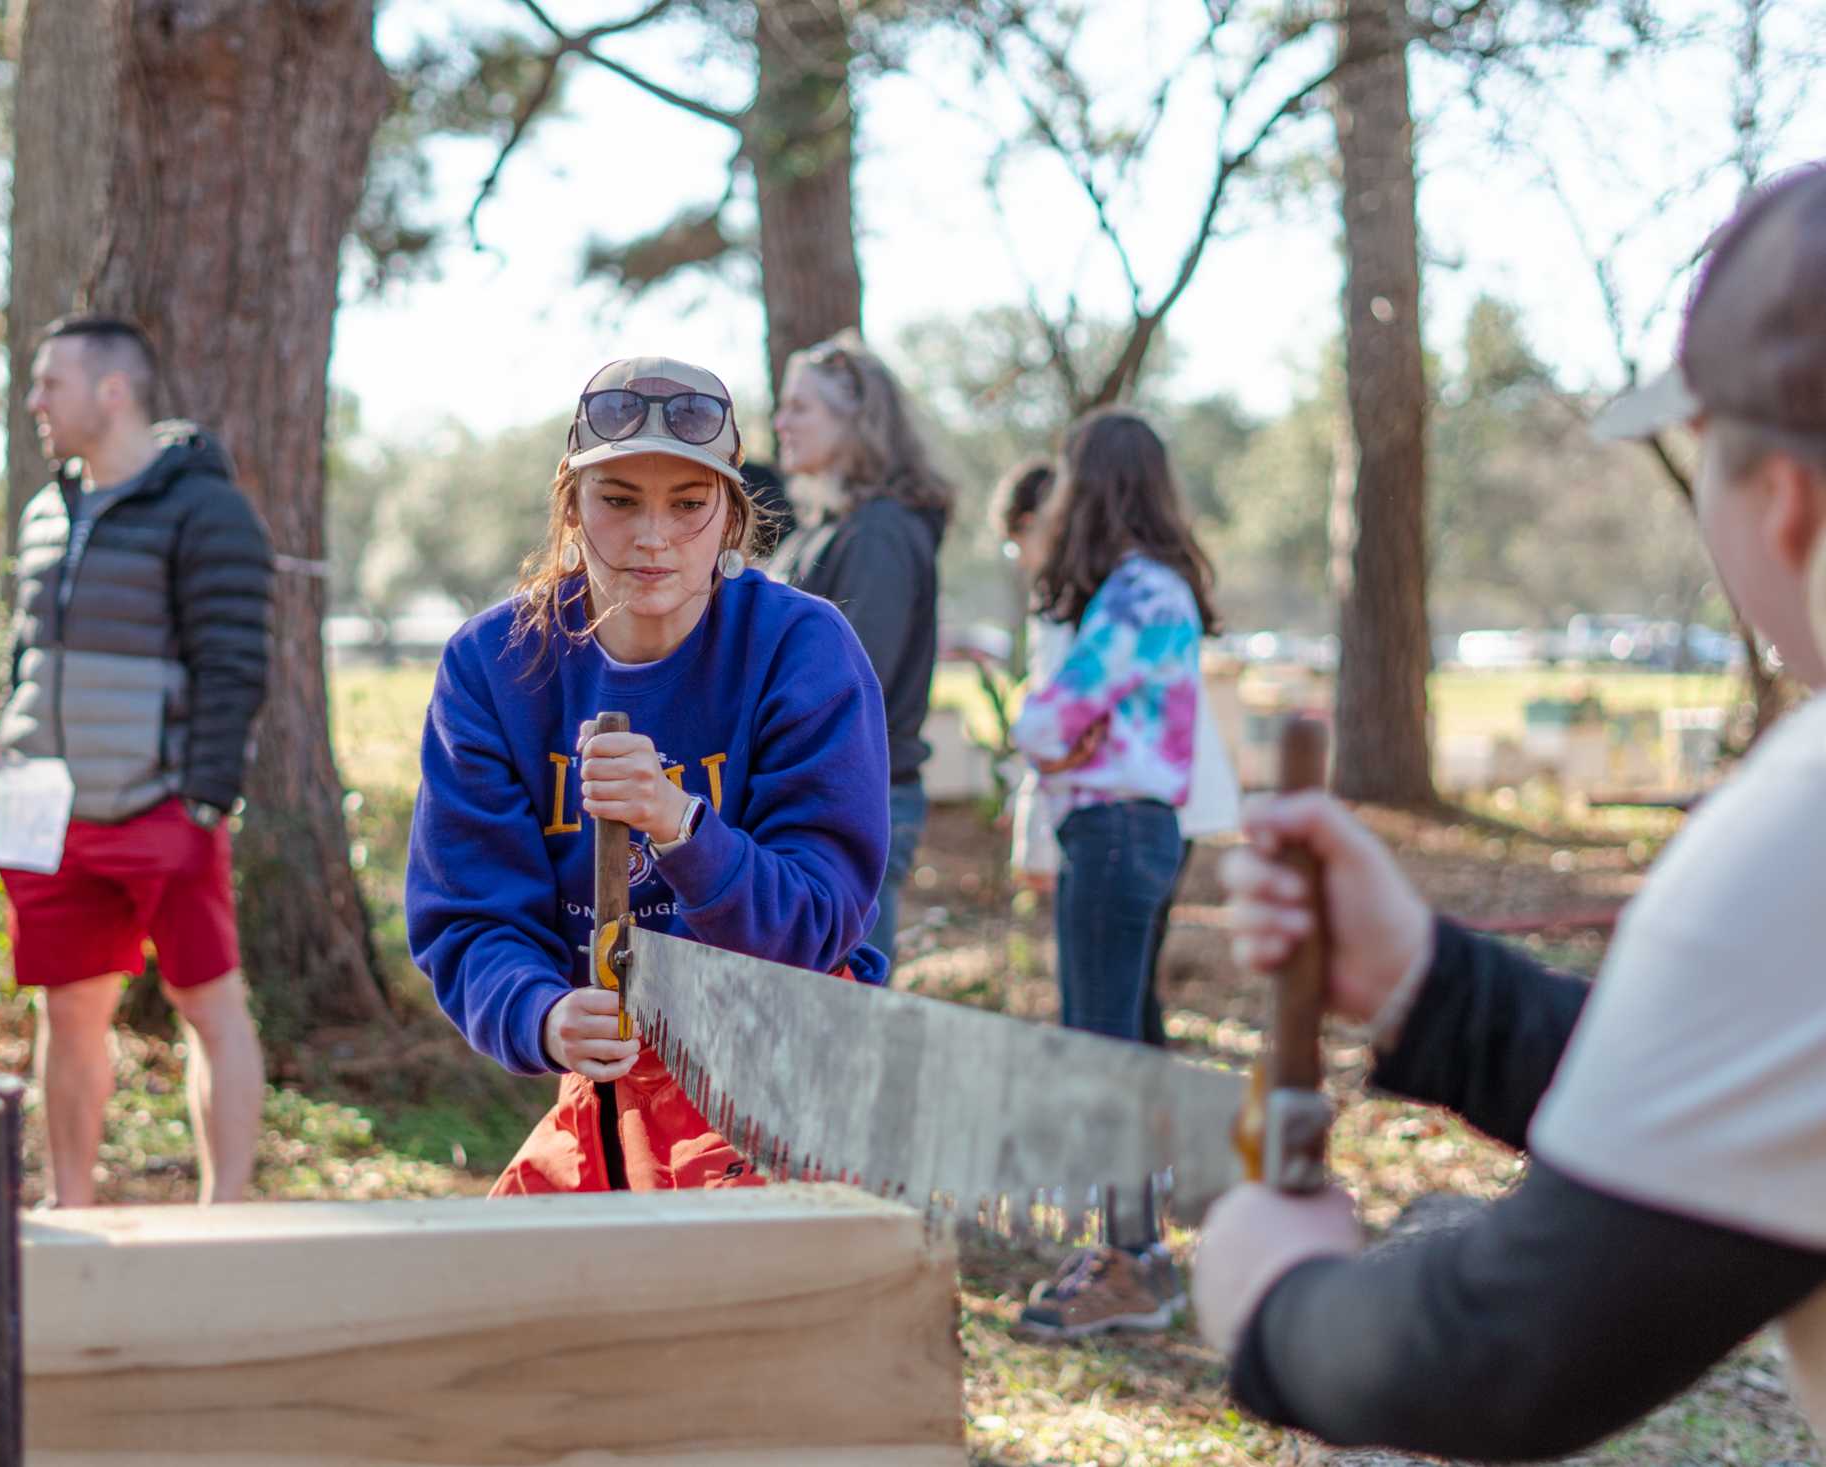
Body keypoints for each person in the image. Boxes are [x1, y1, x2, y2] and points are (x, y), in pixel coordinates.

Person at [1196, 153, 1826, 1463]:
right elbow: (1764, 1102)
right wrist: (1429, 987)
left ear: (1780, 501)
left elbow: (1506, 1349)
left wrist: (1276, 1301)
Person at [406, 355, 890, 1195]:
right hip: (609, 1085)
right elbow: (470, 918)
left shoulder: (800, 649)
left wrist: (682, 827)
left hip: (786, 1066)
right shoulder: (492, 665)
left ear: (732, 512)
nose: (654, 535)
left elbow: (821, 917)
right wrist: (541, 1013)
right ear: (570, 504)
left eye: (690, 504)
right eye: (619, 500)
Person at [0, 314, 273, 1207]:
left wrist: (203, 801)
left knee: (209, 1007)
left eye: (51, 383)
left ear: (112, 392)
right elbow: (24, 658)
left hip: (163, 810)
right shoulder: (46, 510)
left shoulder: (205, 507)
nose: (36, 401)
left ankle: (222, 1216)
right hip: (52, 817)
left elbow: (236, 658)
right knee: (65, 1012)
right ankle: (69, 1203)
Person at [1006, 412, 1226, 1338]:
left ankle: (1129, 1259)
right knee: (1127, 1041)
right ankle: (1145, 1254)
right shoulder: (1149, 589)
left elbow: (1047, 723)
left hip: (1115, 832)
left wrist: (1047, 731)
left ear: (1094, 484)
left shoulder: (1138, 593)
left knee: (1100, 1050)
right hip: (1137, 830)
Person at [769, 333, 955, 970]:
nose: (780, 422)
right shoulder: (823, 531)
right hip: (805, 801)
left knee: (849, 1036)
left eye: (800, 407)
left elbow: (852, 681)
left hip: (855, 802)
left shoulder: (880, 534)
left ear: (857, 419)